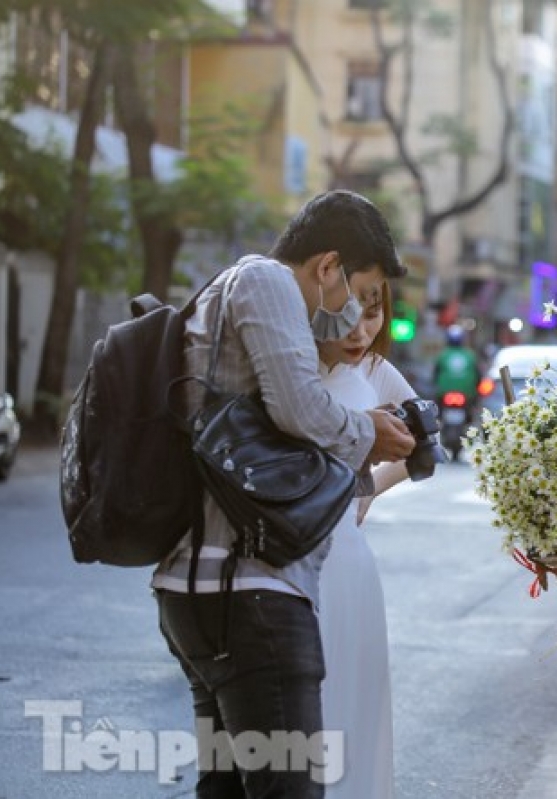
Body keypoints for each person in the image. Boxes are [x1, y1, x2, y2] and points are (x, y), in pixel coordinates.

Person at [153, 190, 417, 799]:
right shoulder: (267, 281)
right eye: (355, 295)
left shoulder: (228, 297)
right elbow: (301, 409)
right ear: (327, 268)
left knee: (227, 790)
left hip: (201, 590)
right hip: (254, 596)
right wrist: (368, 433)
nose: (353, 319)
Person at [315, 281, 415, 799]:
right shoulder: (289, 362)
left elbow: (422, 445)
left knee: (352, 701)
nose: (363, 330)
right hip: (291, 557)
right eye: (353, 314)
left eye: (374, 315)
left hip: (348, 561)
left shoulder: (375, 372)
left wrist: (369, 488)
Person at [432, 324, 480, 408]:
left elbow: (435, 374)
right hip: (467, 393)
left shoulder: (443, 354)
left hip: (445, 393)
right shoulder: (470, 354)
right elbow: (478, 375)